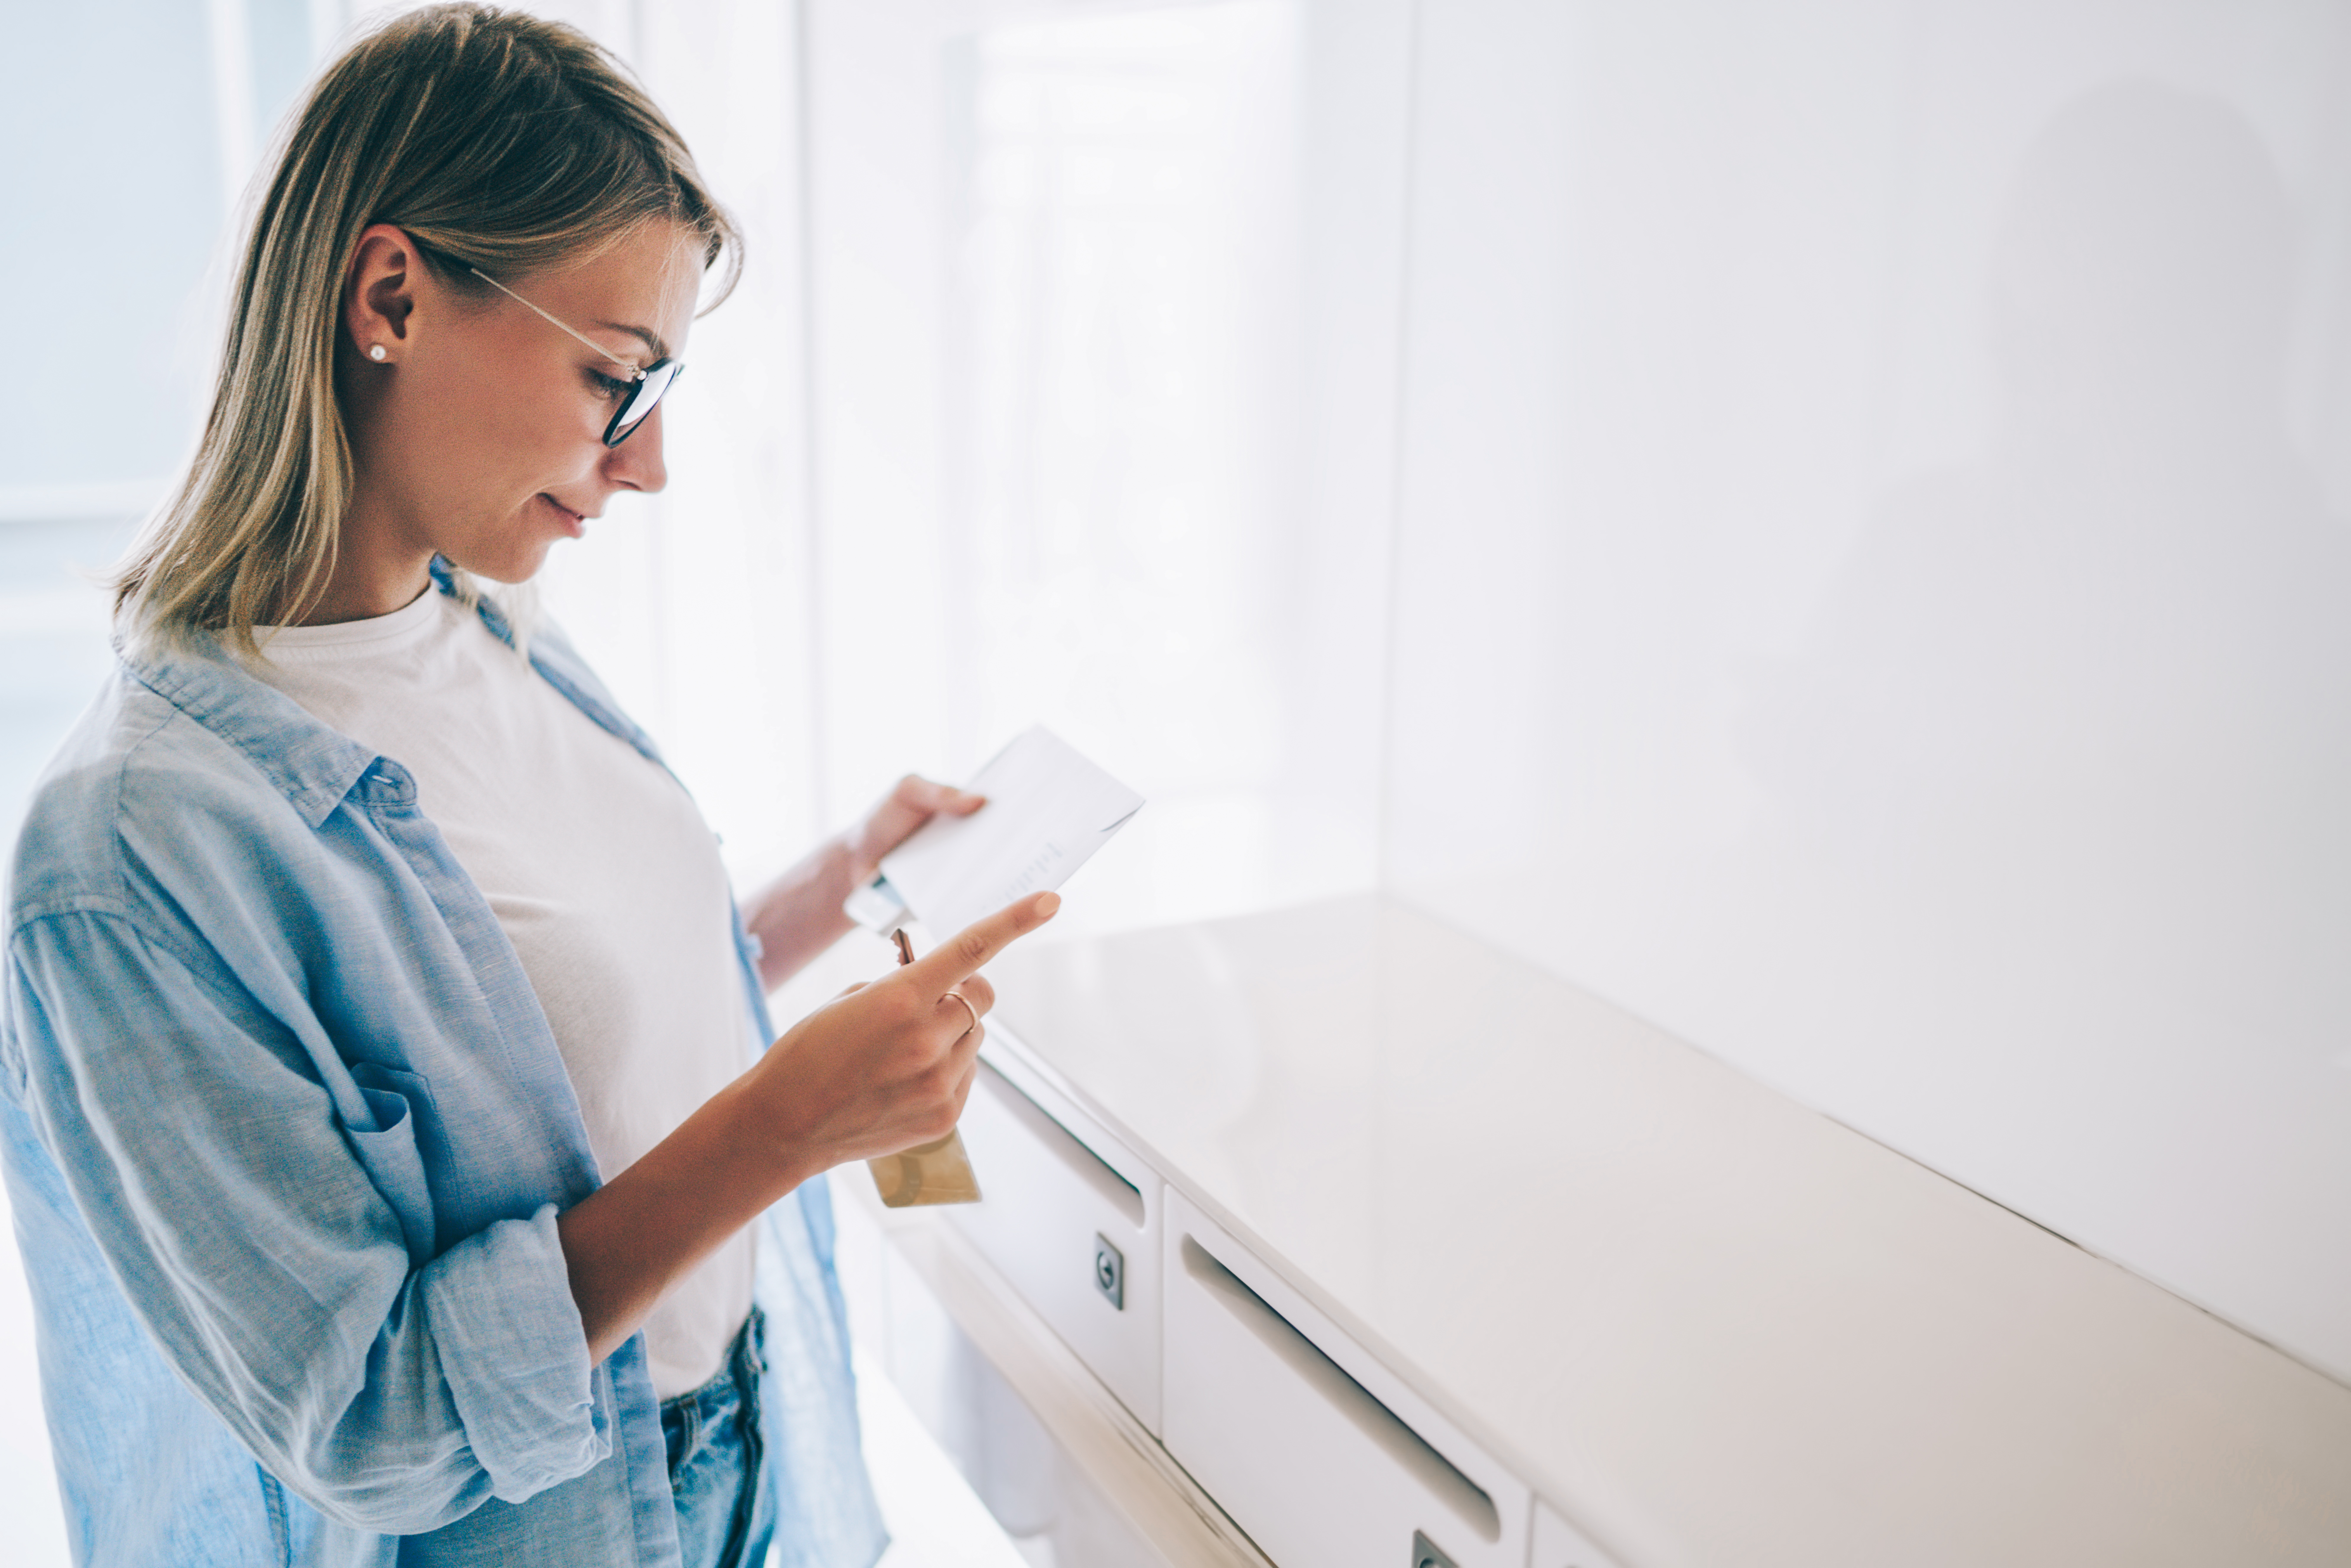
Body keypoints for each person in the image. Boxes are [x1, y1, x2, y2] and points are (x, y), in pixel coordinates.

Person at [0, 7, 1057, 1565]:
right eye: (614, 380)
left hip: (747, 1443)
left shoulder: (484, 626)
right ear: (390, 296)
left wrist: (838, 879)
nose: (646, 465)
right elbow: (368, 1420)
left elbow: (542, 1054)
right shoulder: (134, 853)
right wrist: (783, 1127)